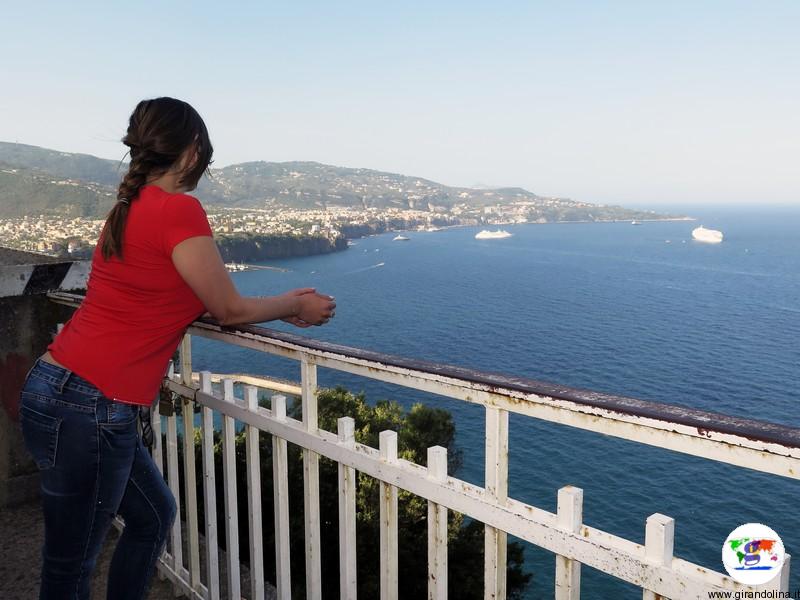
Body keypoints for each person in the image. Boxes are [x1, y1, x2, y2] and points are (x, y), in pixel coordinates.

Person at [18, 97, 336, 600]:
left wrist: (275, 303)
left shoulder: (128, 208)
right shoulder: (178, 209)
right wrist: (294, 304)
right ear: (191, 153)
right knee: (71, 566)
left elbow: (178, 296)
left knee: (153, 515)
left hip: (58, 388)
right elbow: (227, 310)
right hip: (92, 406)